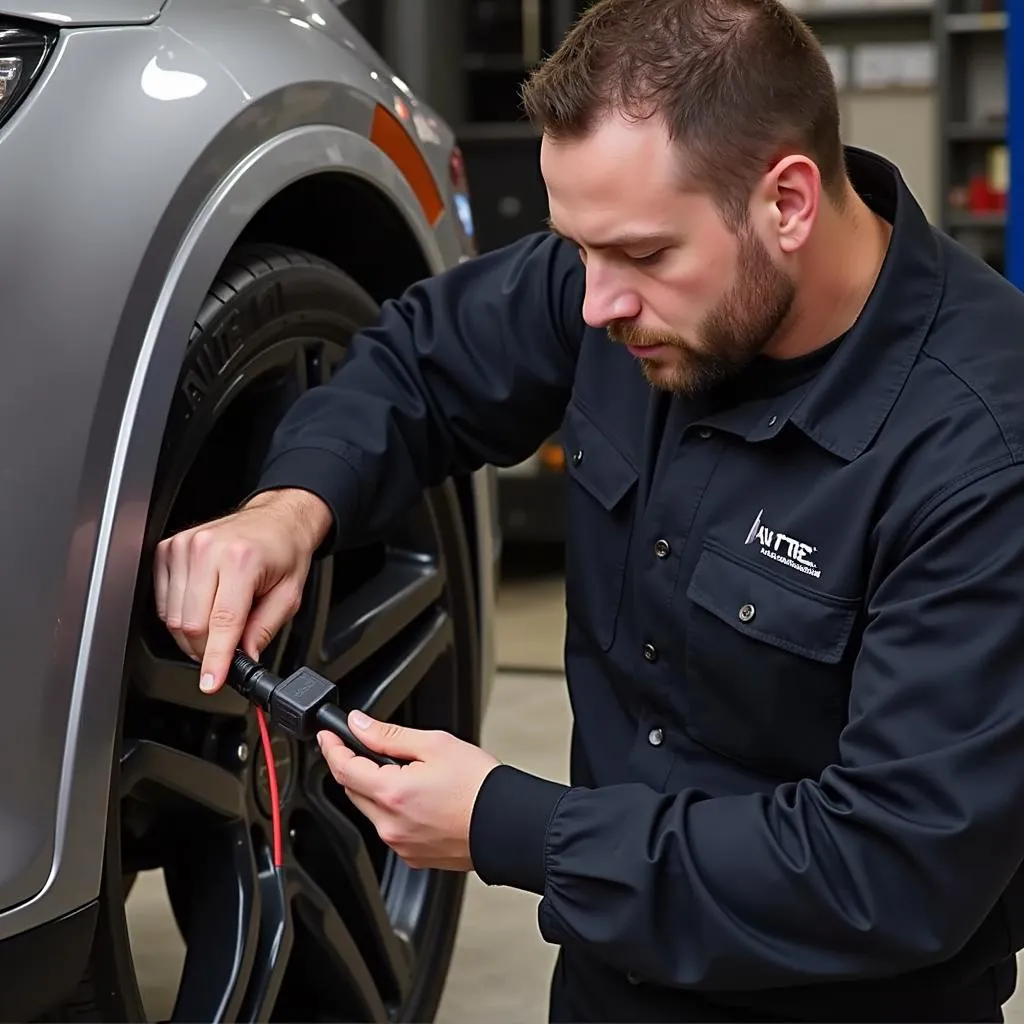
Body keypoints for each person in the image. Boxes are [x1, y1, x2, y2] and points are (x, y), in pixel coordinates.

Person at [154, 0, 1024, 1020]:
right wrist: (287, 506)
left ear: (787, 201)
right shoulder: (622, 281)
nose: (597, 303)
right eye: (579, 249)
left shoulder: (979, 449)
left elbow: (893, 868)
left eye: (644, 256)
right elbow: (418, 363)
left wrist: (510, 824)